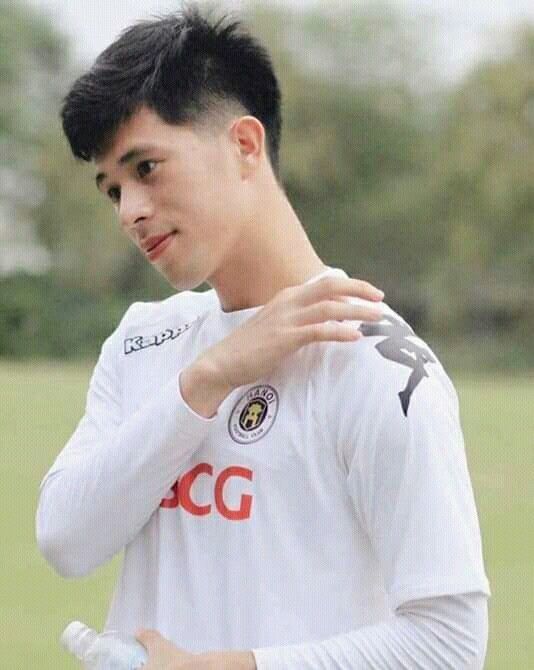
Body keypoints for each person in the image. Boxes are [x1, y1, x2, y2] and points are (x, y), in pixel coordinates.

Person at [36, 3, 491, 668]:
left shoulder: (376, 364)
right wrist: (205, 380)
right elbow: (65, 540)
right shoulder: (142, 341)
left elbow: (450, 643)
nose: (130, 211)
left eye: (146, 168)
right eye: (112, 190)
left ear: (245, 145)